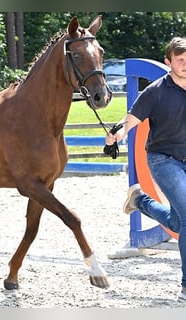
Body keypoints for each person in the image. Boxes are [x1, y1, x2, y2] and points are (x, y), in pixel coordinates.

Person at [106, 36, 186, 301]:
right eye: (180, 60)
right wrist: (116, 135)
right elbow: (130, 120)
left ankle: (140, 200)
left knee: (178, 221)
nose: (185, 65)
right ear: (168, 62)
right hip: (163, 160)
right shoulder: (155, 91)